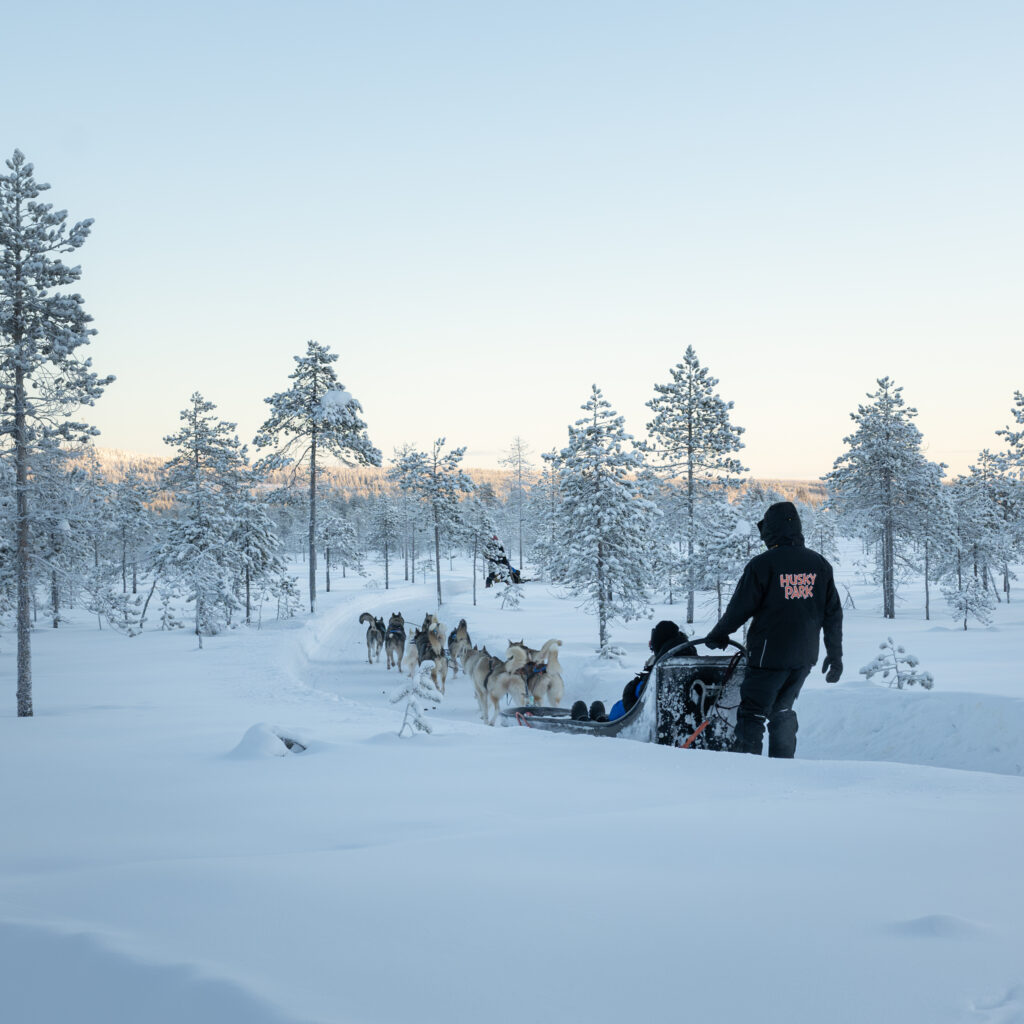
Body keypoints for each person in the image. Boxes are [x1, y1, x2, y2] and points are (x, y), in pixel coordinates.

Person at [705, 500, 843, 758]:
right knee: (782, 710)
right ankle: (782, 768)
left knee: (752, 714)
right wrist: (835, 656)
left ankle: (749, 771)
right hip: (804, 658)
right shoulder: (819, 564)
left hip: (769, 657)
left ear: (769, 530)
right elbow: (833, 615)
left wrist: (719, 634)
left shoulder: (763, 565)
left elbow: (739, 608)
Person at [571, 620, 696, 722]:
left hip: (640, 720)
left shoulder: (662, 672)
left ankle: (599, 720)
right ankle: (601, 717)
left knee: (628, 700)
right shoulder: (692, 664)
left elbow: (637, 702)